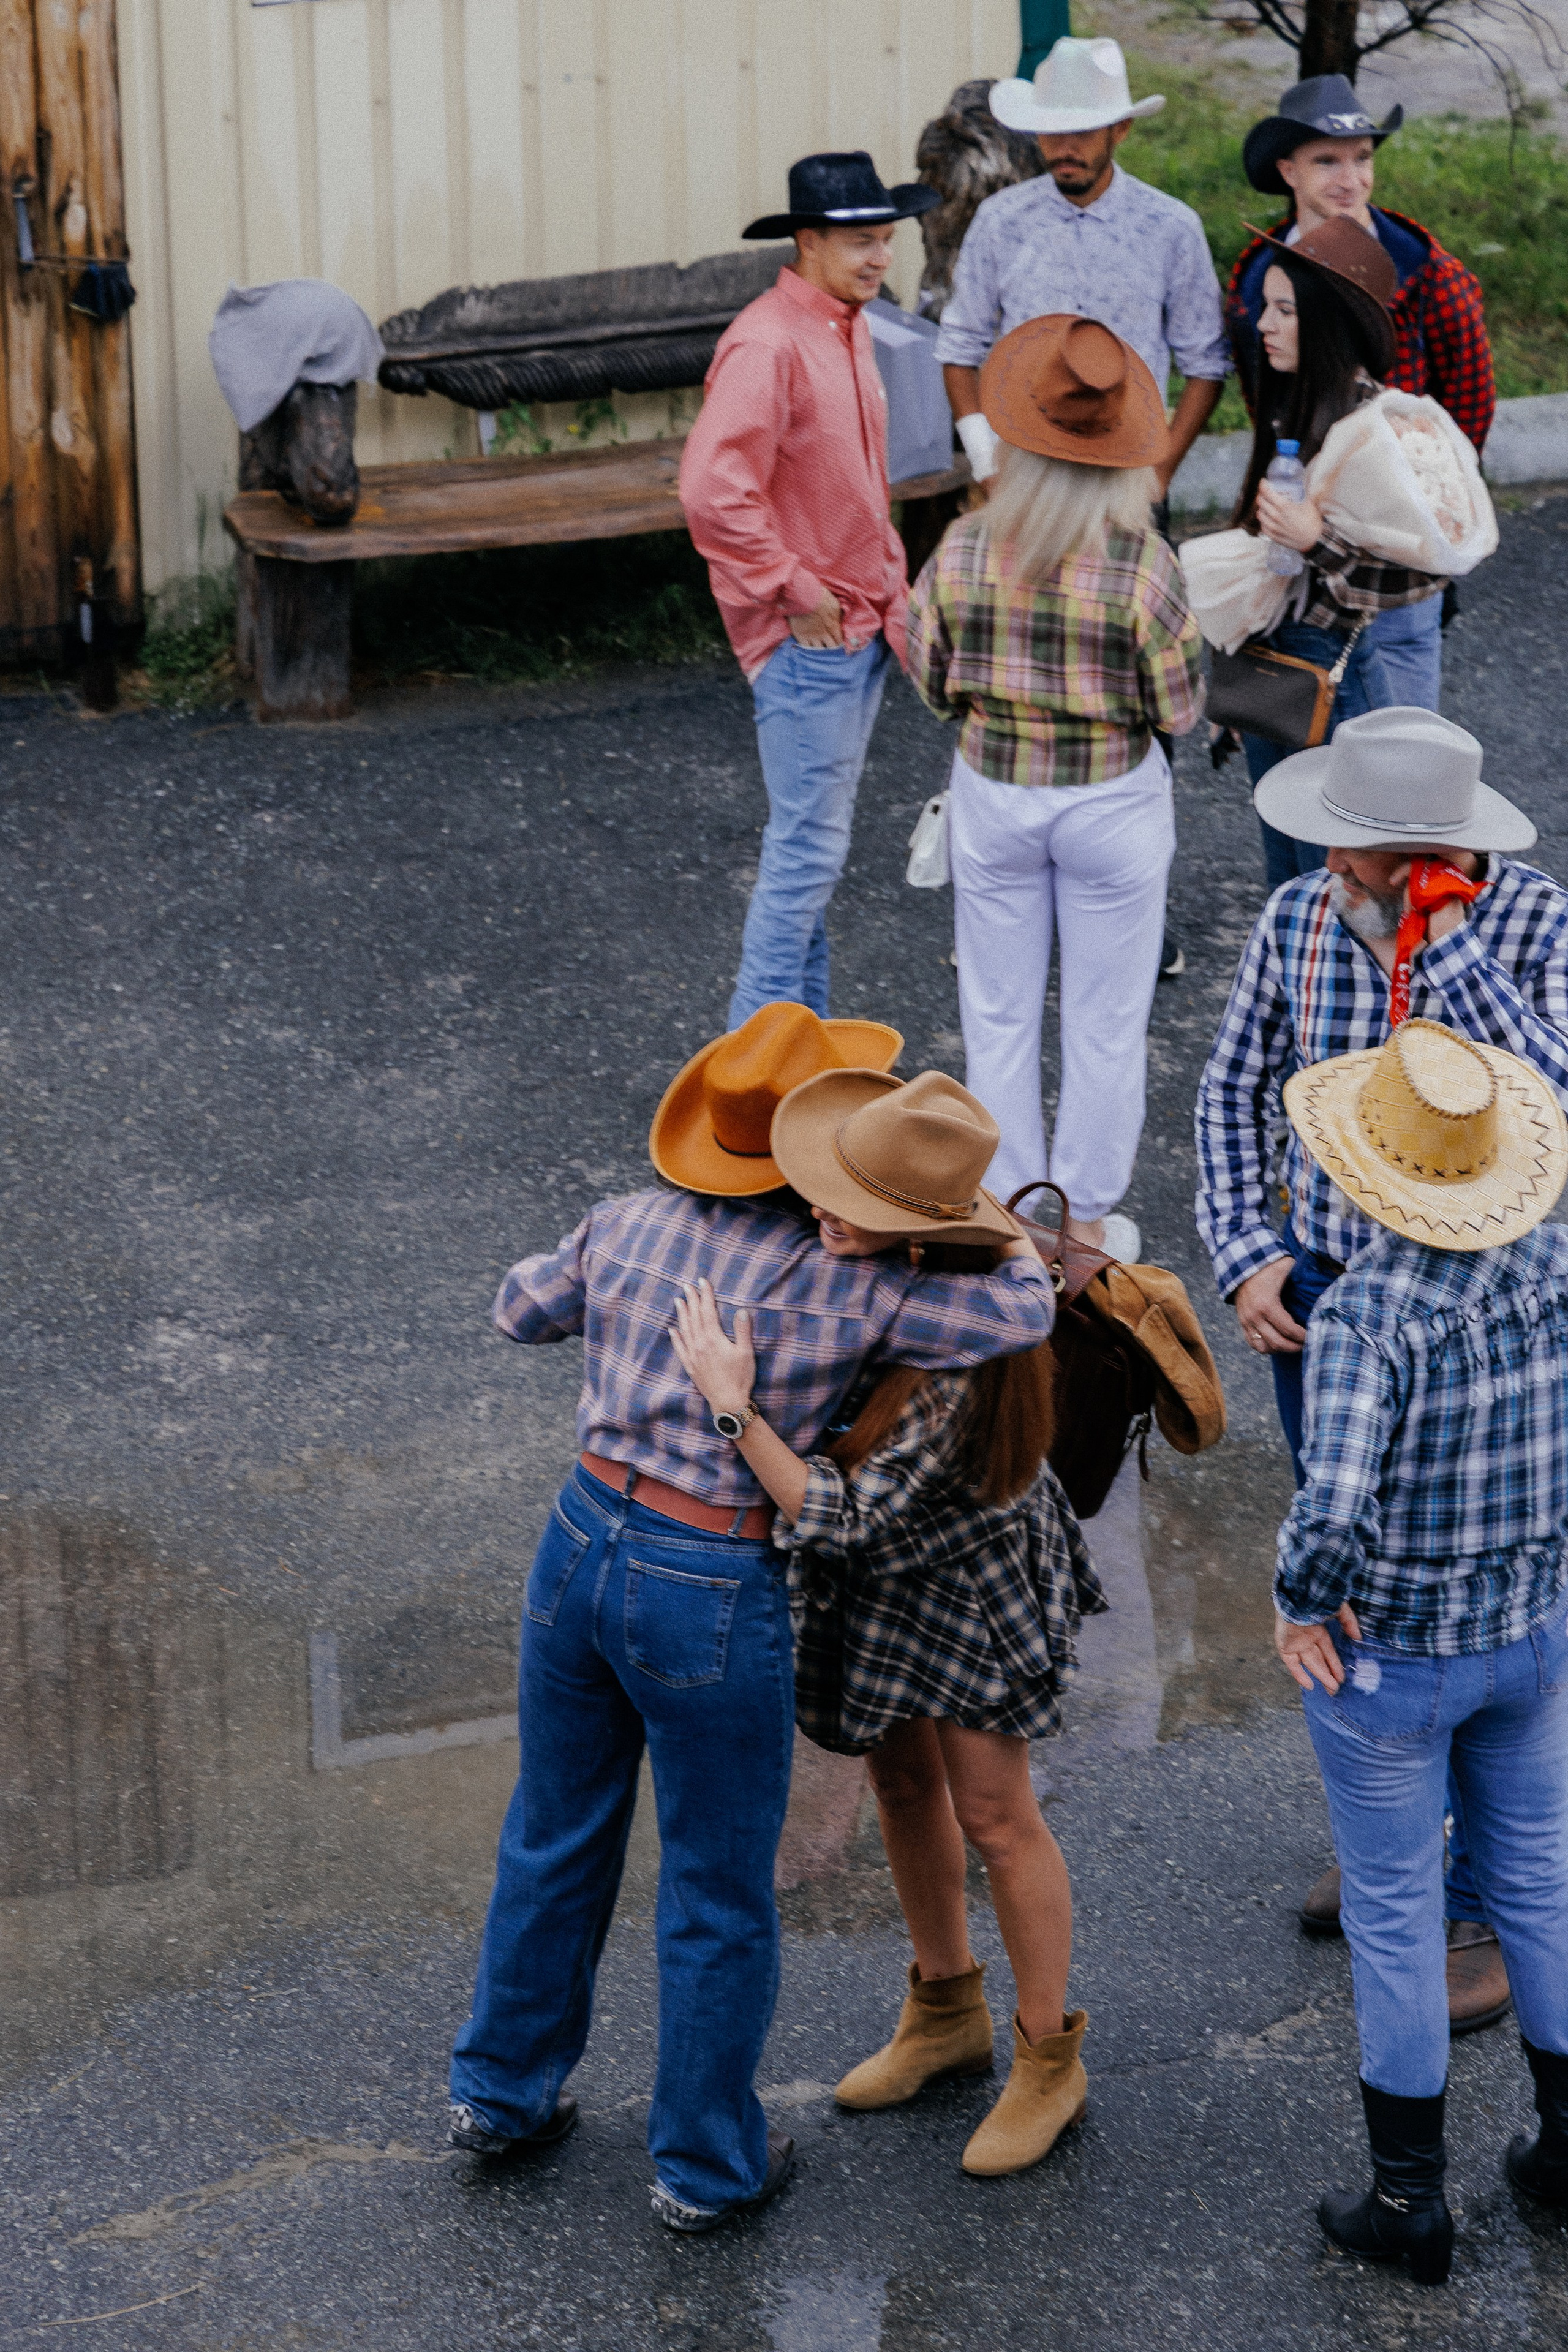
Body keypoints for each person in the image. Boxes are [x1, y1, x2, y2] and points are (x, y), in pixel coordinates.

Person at [447, 1001, 1057, 2235]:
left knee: (552, 1831)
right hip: (706, 1575)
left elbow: (516, 1310)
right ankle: (704, 2166)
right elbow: (1022, 1312)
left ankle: (500, 2095)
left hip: (578, 1544)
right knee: (716, 1885)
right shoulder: (851, 1282)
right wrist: (999, 1230)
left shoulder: (622, 1223)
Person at [1195, 705, 1568, 2029]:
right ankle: (1400, 1843)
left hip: (1484, 1317)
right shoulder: (1298, 919)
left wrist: (1447, 946)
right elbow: (1230, 1085)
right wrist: (1247, 1252)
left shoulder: (1527, 921)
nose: (1330, 864)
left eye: (1356, 851)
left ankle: (1473, 1902)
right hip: (1333, 1303)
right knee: (1358, 1570)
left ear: (1425, 853)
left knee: (1471, 1581)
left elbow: (1556, 1093)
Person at [669, 1061, 1106, 2178]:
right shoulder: (893, 1270)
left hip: (959, 1587)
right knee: (900, 1782)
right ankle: (945, 2010)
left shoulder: (967, 1359)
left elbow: (845, 1515)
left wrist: (732, 1405)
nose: (817, 1212)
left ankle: (1048, 2058)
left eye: (845, 1205)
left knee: (999, 1816)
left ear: (918, 1238)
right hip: (885, 1585)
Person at [1272, 1018, 1568, 2282]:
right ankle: (1561, 2159)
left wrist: (1299, 1600)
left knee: (1394, 1915)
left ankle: (1408, 2205)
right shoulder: (1553, 1265)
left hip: (1391, 1658)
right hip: (1532, 1631)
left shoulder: (1364, 1313)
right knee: (1539, 1887)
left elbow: (1330, 1510)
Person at [936, 34, 1230, 985]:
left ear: (1115, 128)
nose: (1065, 149)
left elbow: (1205, 361)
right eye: (1051, 134)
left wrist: (1160, 470)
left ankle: (1133, 916)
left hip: (1124, 489)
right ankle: (1006, 904)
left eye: (1081, 132)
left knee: (1136, 685)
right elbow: (961, 342)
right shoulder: (1002, 223)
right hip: (1018, 490)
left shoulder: (1170, 227)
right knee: (1005, 672)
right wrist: (985, 462)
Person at [908, 312, 1202, 1256]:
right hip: (1112, 798)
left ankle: (1003, 1209)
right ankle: (1083, 1221)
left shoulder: (962, 550)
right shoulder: (1144, 566)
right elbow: (1182, 707)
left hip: (995, 790)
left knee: (994, 1008)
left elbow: (928, 679)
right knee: (1107, 1018)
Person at [679, 154, 938, 1029]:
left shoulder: (844, 323)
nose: (879, 258)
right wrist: (793, 588)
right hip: (813, 636)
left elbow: (853, 485)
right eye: (862, 242)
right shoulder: (768, 342)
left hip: (859, 620)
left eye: (886, 240)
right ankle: (743, 1084)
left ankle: (804, 1059)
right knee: (804, 857)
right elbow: (712, 490)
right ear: (808, 241)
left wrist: (892, 600)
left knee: (814, 860)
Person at [1226, 74, 1496, 715]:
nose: (1350, 178)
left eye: (1362, 158)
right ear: (1288, 170)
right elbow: (1261, 402)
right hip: (1290, 549)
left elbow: (1467, 420)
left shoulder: (1431, 276)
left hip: (1391, 565)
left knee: (1394, 764)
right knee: (1294, 759)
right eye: (1327, 160)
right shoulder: (1257, 276)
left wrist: (1417, 521)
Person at [1219, 216, 1452, 893]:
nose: (1263, 325)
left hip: (1340, 684)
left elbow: (1426, 569)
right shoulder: (1286, 403)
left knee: (1346, 885)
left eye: (1284, 310)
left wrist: (1314, 541)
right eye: (1264, 306)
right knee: (1288, 889)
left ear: (1326, 323)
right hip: (1277, 675)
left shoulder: (1381, 427)